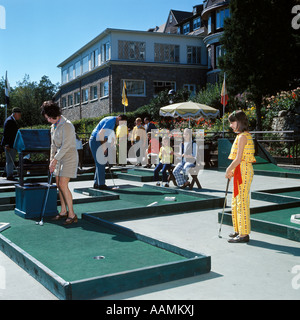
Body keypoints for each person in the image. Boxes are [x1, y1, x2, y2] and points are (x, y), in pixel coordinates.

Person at [41, 101, 78, 225]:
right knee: (58, 183)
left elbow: (66, 146)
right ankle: (63, 211)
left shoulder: (67, 125)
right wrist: (51, 161)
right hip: (58, 158)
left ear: (52, 115)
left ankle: (72, 214)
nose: (47, 120)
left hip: (69, 157)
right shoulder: (54, 126)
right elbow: (53, 145)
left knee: (63, 184)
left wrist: (55, 159)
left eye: (47, 118)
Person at [225, 110, 256, 243]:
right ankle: (238, 229)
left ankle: (243, 234)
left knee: (242, 201)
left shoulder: (243, 136)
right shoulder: (241, 136)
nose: (231, 125)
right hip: (239, 169)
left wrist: (228, 169)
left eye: (232, 122)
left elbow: (238, 159)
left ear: (239, 122)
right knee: (236, 200)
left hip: (243, 170)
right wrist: (232, 170)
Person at [89, 115, 125, 189]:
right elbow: (101, 133)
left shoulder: (112, 121)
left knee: (99, 163)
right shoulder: (111, 121)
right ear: (119, 118)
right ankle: (101, 184)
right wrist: (104, 147)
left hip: (97, 140)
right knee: (101, 162)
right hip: (96, 140)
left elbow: (105, 136)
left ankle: (97, 183)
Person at [1, 107, 22, 180]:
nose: (20, 116)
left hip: (10, 144)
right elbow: (6, 134)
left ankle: (5, 172)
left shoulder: (10, 120)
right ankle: (9, 175)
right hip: (10, 144)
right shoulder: (10, 121)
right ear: (15, 114)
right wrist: (7, 144)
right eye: (19, 115)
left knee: (9, 159)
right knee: (10, 160)